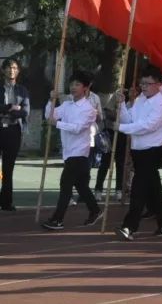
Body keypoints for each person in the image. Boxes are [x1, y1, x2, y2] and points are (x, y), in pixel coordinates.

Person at [115, 67, 162, 241]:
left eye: (148, 84)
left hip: (154, 149)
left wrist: (121, 128)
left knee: (138, 188)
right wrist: (121, 104)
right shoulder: (140, 100)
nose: (144, 87)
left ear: (158, 85)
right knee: (153, 189)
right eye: (142, 83)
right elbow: (130, 119)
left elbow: (148, 126)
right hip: (138, 149)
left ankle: (129, 226)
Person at [41, 71, 101, 229]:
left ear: (86, 88)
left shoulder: (89, 109)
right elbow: (49, 115)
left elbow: (78, 128)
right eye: (72, 84)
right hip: (69, 152)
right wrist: (51, 100)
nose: (73, 87)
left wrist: (58, 124)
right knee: (81, 186)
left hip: (80, 152)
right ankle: (95, 210)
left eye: (77, 84)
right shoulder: (67, 105)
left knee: (65, 184)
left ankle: (57, 219)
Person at [0, 57, 30, 212]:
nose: (11, 70)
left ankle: (6, 202)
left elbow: (25, 111)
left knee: (9, 169)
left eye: (14, 68)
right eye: (8, 67)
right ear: (3, 70)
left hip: (13, 131)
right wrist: (10, 107)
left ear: (18, 71)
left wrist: (14, 112)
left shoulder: (22, 90)